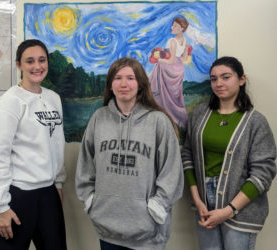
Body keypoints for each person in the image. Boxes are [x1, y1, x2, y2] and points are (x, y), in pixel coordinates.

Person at [75, 57, 183, 250]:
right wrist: (91, 201)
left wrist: (157, 207)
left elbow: (172, 172)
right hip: (107, 228)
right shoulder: (98, 118)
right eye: (118, 78)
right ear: (110, 85)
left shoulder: (158, 121)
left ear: (140, 84)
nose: (123, 84)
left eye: (130, 78)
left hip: (148, 232)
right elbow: (85, 164)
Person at [182, 56, 276, 250]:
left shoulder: (255, 122)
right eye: (214, 79)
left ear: (241, 79)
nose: (219, 83)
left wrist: (229, 210)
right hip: (204, 206)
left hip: (241, 208)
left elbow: (263, 173)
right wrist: (198, 200)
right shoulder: (200, 114)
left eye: (226, 77)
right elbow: (188, 155)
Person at [0, 39, 67, 250]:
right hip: (16, 195)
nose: (37, 66)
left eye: (42, 60)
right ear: (19, 65)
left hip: (47, 194)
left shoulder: (54, 99)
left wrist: (58, 183)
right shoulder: (9, 103)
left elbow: (56, 145)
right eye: (29, 61)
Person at [150, 15, 190, 129]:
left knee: (165, 95)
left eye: (176, 26)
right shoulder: (185, 41)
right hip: (179, 70)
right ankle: (178, 120)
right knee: (175, 98)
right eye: (173, 25)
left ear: (182, 28)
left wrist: (157, 59)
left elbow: (171, 60)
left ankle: (167, 119)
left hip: (170, 69)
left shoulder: (172, 41)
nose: (172, 27)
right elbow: (183, 59)